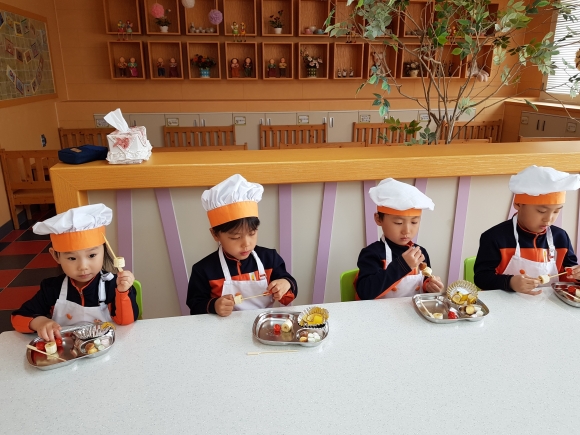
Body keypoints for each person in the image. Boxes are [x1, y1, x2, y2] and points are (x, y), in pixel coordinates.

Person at [11, 204, 139, 341]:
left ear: (104, 250)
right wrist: (40, 322)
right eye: (72, 258)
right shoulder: (51, 288)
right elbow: (18, 317)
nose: (83, 267)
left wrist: (123, 292)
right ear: (55, 256)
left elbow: (126, 321)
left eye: (92, 255)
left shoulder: (113, 285)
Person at [187, 174, 297, 316]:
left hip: (262, 321)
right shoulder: (203, 270)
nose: (246, 244)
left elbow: (289, 288)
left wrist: (285, 284)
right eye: (235, 237)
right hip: (222, 326)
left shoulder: (269, 259)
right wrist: (214, 305)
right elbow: (195, 305)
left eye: (252, 233)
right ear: (215, 234)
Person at [474, 165, 580, 294]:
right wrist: (510, 282)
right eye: (541, 211)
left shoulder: (560, 238)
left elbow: (568, 275)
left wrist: (577, 276)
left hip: (548, 304)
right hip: (504, 303)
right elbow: (482, 278)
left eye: (556, 211)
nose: (548, 219)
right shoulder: (495, 237)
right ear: (518, 204)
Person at [356, 178, 444, 299]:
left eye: (414, 222)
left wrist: (429, 286)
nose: (407, 230)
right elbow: (365, 293)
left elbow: (424, 282)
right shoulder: (372, 254)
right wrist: (402, 266)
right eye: (398, 223)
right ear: (378, 219)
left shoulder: (420, 253)